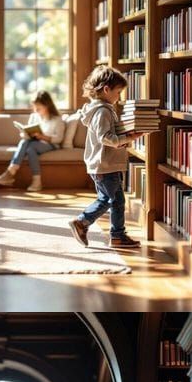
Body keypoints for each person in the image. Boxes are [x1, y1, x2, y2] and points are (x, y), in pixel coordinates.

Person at [69, 66, 143, 251]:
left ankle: (118, 236)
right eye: (118, 92)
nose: (119, 96)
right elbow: (105, 138)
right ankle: (81, 222)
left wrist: (124, 137)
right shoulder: (102, 111)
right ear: (106, 89)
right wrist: (128, 139)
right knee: (107, 200)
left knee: (118, 201)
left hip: (108, 163)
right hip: (105, 165)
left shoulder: (104, 109)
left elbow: (109, 135)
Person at [0, 90, 66, 192]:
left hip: (51, 144)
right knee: (29, 147)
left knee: (30, 147)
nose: (36, 110)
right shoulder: (34, 117)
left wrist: (42, 137)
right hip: (34, 144)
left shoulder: (57, 119)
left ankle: (10, 173)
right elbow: (28, 135)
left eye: (39, 108)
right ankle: (36, 182)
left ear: (47, 105)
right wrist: (25, 134)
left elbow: (59, 138)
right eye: (35, 107)